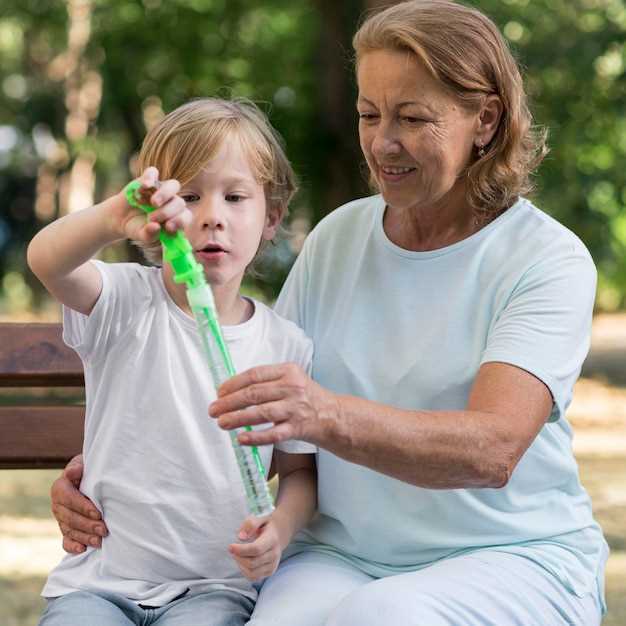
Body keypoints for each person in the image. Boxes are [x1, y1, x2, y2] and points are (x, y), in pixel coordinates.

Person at [49, 1, 609, 624]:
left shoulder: (546, 258)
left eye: (412, 117)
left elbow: (493, 449)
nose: (382, 142)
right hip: (342, 553)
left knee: (381, 616)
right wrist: (110, 482)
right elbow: (252, 389)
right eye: (369, 114)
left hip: (507, 556)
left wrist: (327, 414)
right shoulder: (340, 237)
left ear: (485, 119)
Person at [28, 97, 317, 626]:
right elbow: (47, 260)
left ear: (272, 216)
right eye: (188, 196)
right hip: (99, 584)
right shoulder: (121, 301)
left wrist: (281, 527)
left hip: (214, 588)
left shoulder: (286, 345)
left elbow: (299, 472)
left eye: (235, 197)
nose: (211, 217)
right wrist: (112, 218)